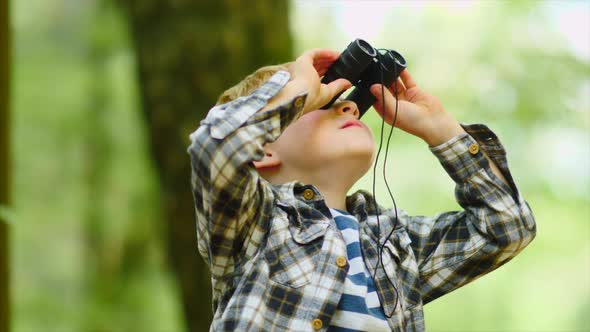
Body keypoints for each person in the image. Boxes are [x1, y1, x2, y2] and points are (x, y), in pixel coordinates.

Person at [186, 48, 537, 331]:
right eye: (323, 105)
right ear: (263, 150)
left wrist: (441, 130)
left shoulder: (394, 246)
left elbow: (507, 228)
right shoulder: (253, 224)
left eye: (347, 100)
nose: (351, 105)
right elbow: (215, 147)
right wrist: (296, 88)